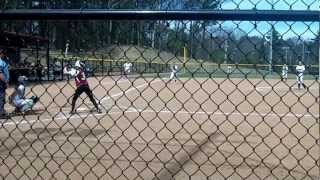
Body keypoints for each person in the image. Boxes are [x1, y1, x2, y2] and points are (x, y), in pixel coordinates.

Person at [0, 49, 9, 117]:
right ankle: (1, 112)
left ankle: (1, 110)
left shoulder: (4, 61)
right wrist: (6, 81)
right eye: (3, 53)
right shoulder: (0, 62)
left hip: (2, 82)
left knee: (2, 96)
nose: (4, 55)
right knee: (1, 97)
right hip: (1, 82)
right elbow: (0, 74)